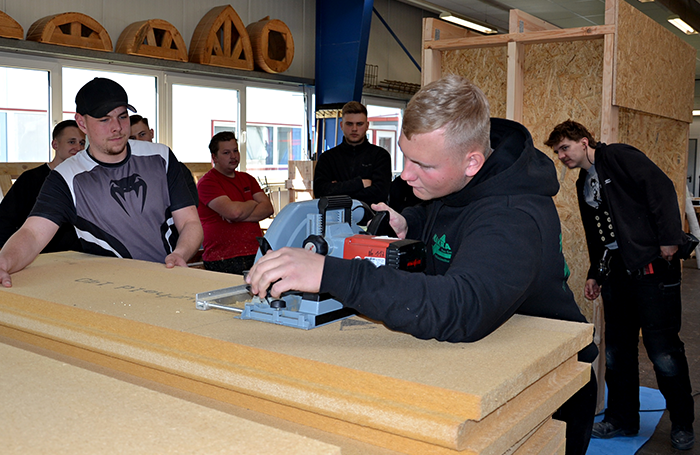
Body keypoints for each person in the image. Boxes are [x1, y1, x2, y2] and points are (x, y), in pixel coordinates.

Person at [247, 75, 598, 455]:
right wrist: (410, 224)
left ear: (472, 162)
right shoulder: (460, 175)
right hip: (493, 364)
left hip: (550, 386)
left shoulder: (513, 216)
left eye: (422, 164)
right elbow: (450, 220)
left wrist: (328, 272)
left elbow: (462, 306)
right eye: (405, 156)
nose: (406, 175)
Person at [0, 77, 202, 316]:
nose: (117, 127)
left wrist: (180, 254)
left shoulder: (161, 157)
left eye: (122, 116)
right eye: (104, 119)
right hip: (113, 296)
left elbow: (190, 222)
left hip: (169, 282)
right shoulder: (66, 177)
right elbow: (32, 233)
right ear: (82, 123)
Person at [546, 120, 695, 450]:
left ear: (584, 142)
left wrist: (670, 238)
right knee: (616, 352)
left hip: (652, 270)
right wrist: (595, 274)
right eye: (557, 152)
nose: (562, 156)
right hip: (617, 275)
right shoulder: (584, 182)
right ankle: (623, 419)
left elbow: (661, 188)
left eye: (565, 147)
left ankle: (683, 423)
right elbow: (598, 234)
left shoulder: (618, 157)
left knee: (663, 352)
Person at [0, 120, 85, 253]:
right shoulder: (30, 179)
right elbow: (1, 225)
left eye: (82, 143)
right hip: (40, 259)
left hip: (78, 258)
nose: (78, 147)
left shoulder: (85, 181)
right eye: (71, 142)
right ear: (55, 144)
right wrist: (19, 254)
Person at [197, 131, 273, 274]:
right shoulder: (207, 183)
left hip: (255, 253)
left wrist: (237, 216)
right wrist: (252, 203)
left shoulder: (248, 179)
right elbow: (234, 212)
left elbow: (268, 208)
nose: (233, 156)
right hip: (222, 259)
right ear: (214, 157)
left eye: (235, 151)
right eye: (226, 153)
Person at [313, 101, 392, 209]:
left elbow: (379, 194)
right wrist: (359, 184)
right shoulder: (327, 158)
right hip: (335, 217)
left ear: (367, 126)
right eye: (349, 124)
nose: (354, 129)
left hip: (370, 217)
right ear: (341, 125)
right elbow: (320, 192)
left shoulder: (380, 156)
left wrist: (337, 189)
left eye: (359, 124)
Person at [129, 114, 199, 207]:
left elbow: (191, 203)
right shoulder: (124, 171)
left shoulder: (175, 168)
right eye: (132, 139)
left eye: (142, 134)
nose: (139, 141)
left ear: (151, 133)